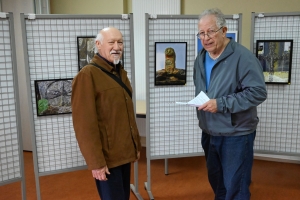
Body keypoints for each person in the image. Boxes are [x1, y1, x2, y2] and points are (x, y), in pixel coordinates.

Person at [193, 8, 267, 200]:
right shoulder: (200, 58)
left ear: (224, 30)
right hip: (209, 131)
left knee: (236, 186)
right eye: (201, 33)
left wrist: (222, 104)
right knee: (217, 184)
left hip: (236, 134)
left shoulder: (244, 57)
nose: (205, 37)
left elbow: (258, 92)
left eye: (210, 31)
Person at [71, 27, 141, 200]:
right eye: (111, 42)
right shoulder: (87, 76)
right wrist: (96, 163)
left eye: (120, 42)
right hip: (107, 160)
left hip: (124, 154)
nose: (116, 47)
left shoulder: (120, 72)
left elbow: (125, 116)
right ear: (98, 44)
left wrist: (135, 146)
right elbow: (84, 126)